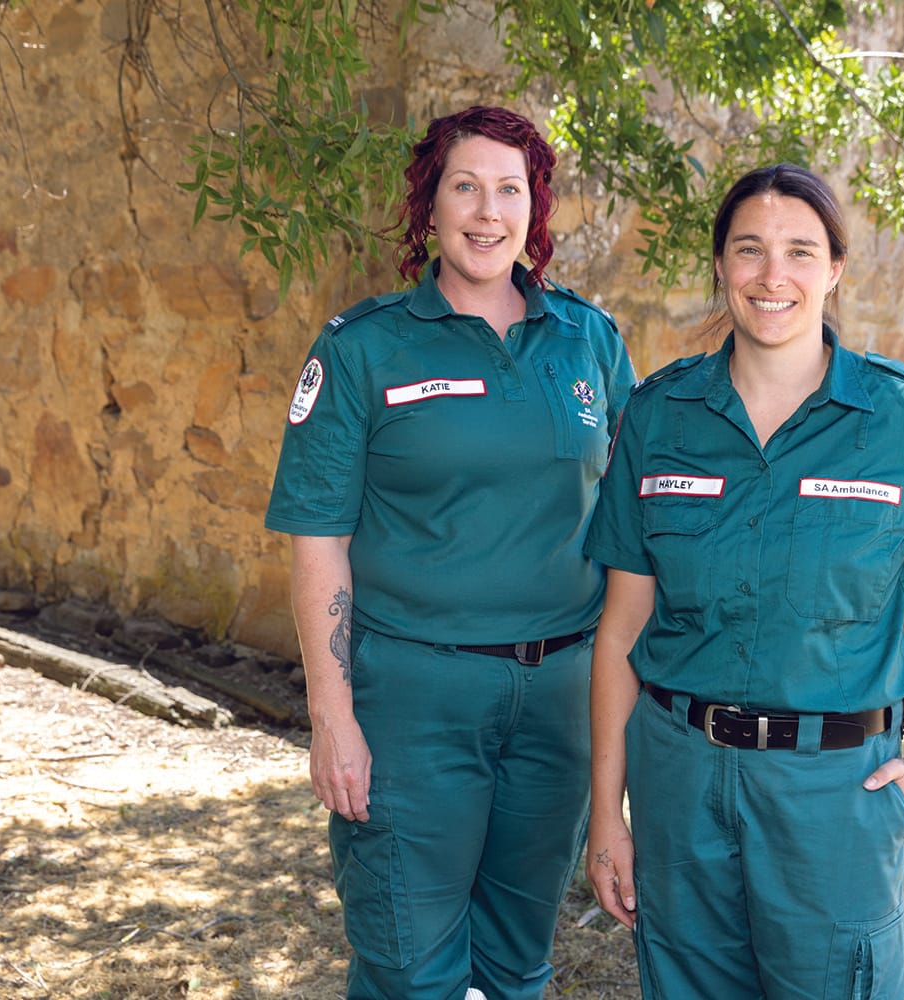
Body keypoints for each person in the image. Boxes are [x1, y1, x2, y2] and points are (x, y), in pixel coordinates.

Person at [583, 163, 904, 999]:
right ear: (721, 267)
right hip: (679, 780)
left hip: (833, 793)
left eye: (800, 251)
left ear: (835, 268)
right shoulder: (659, 416)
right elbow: (622, 631)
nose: (774, 276)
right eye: (750, 250)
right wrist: (607, 811)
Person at [264, 105, 637, 1000]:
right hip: (412, 702)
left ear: (534, 208)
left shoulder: (588, 340)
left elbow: (635, 523)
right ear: (428, 207)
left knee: (516, 964)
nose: (486, 210)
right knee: (408, 969)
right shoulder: (364, 347)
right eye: (463, 186)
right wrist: (332, 716)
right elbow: (318, 537)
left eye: (509, 189)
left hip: (559, 701)